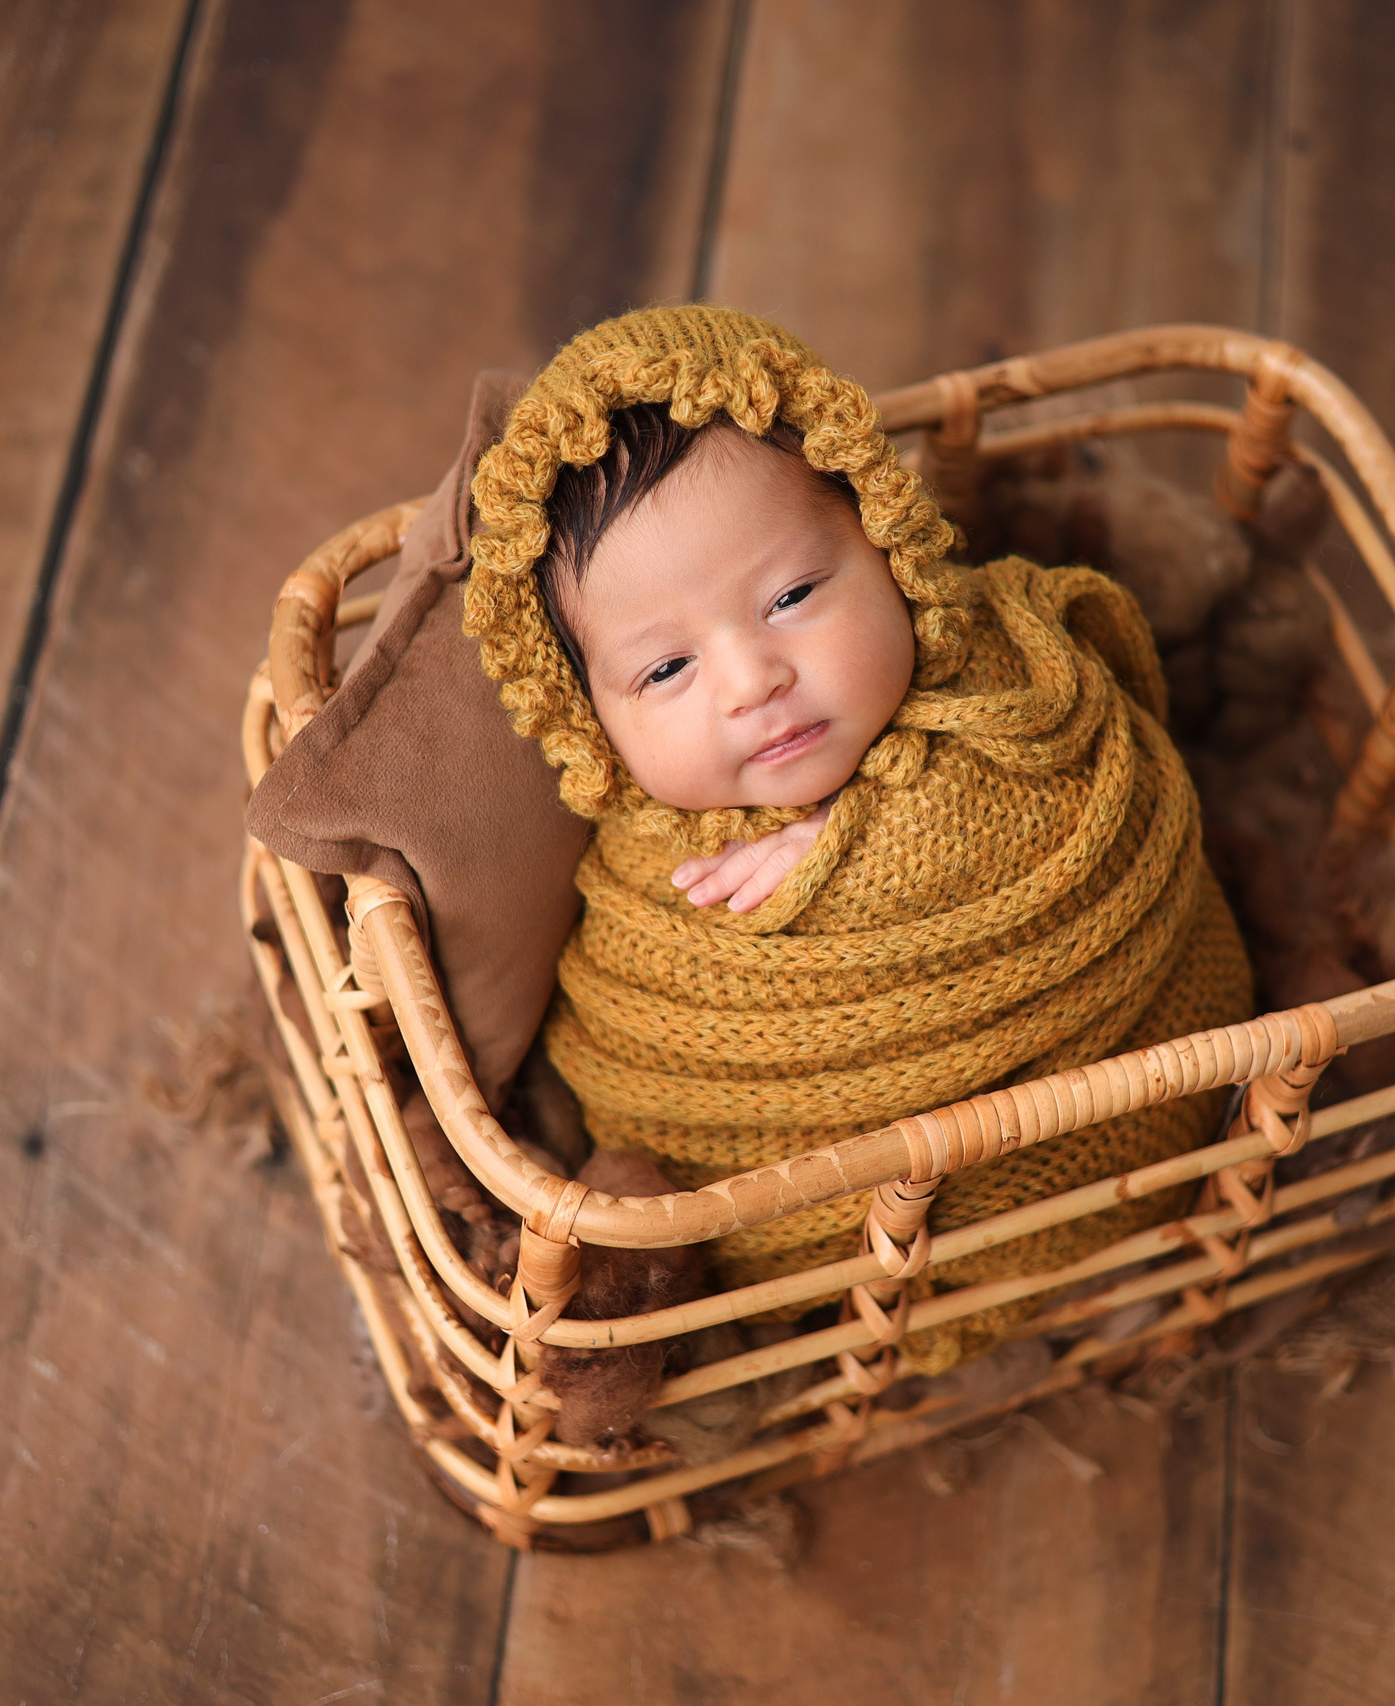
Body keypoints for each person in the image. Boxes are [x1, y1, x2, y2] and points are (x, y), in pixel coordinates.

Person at [463, 305, 1254, 1372]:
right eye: (665, 669)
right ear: (585, 719)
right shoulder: (647, 885)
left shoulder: (1007, 679)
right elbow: (637, 1070)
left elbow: (1095, 789)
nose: (753, 683)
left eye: (791, 595)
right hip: (862, 1215)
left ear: (886, 539)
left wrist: (872, 838)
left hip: (1125, 1104)